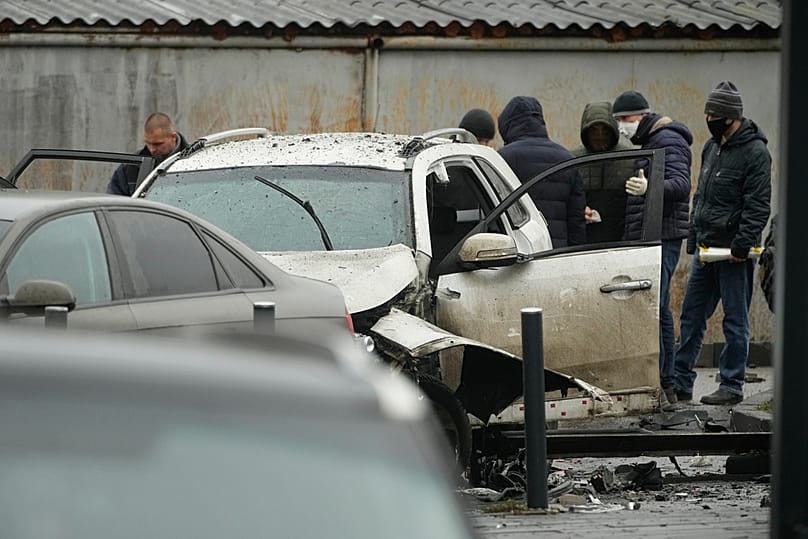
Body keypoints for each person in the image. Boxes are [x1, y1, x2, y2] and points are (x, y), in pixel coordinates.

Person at [673, 81, 771, 405]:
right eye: (708, 114)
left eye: (714, 115)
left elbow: (757, 205)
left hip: (733, 254)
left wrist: (741, 245)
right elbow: (701, 196)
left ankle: (732, 385)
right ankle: (680, 382)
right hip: (706, 250)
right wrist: (694, 238)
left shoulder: (755, 153)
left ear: (731, 116)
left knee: (735, 320)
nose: (709, 120)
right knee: (691, 316)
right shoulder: (711, 147)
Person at [613, 91, 694, 410]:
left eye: (625, 119)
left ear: (642, 115)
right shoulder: (653, 141)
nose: (622, 126)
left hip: (662, 236)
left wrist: (650, 188)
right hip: (653, 235)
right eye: (618, 120)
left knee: (656, 309)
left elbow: (681, 185)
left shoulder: (667, 140)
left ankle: (665, 383)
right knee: (655, 309)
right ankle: (662, 383)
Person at [498, 96, 586, 247]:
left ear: (506, 125)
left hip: (519, 249)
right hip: (558, 252)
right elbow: (576, 218)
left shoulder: (503, 158)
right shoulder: (567, 158)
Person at [570, 101, 635, 243]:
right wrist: (578, 210)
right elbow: (565, 198)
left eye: (605, 130)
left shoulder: (630, 158)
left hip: (623, 240)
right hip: (583, 240)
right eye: (594, 131)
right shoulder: (574, 160)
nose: (599, 136)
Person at [106, 112, 190, 196]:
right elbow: (114, 199)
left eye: (157, 144)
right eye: (148, 143)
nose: (152, 149)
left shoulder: (191, 162)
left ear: (173, 137)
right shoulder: (131, 166)